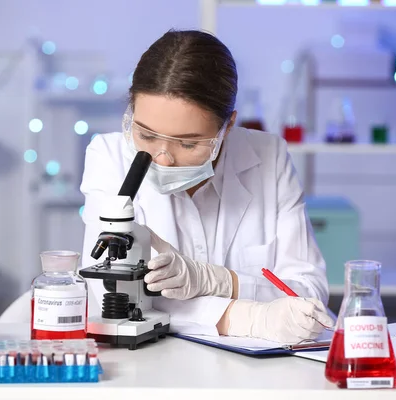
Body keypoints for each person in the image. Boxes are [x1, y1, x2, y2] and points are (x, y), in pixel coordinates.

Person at [80, 29, 333, 344]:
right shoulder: (109, 156)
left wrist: (216, 280)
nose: (163, 158)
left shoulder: (269, 156)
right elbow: (109, 295)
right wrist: (252, 318)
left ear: (227, 127)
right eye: (145, 135)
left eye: (187, 143)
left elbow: (306, 294)